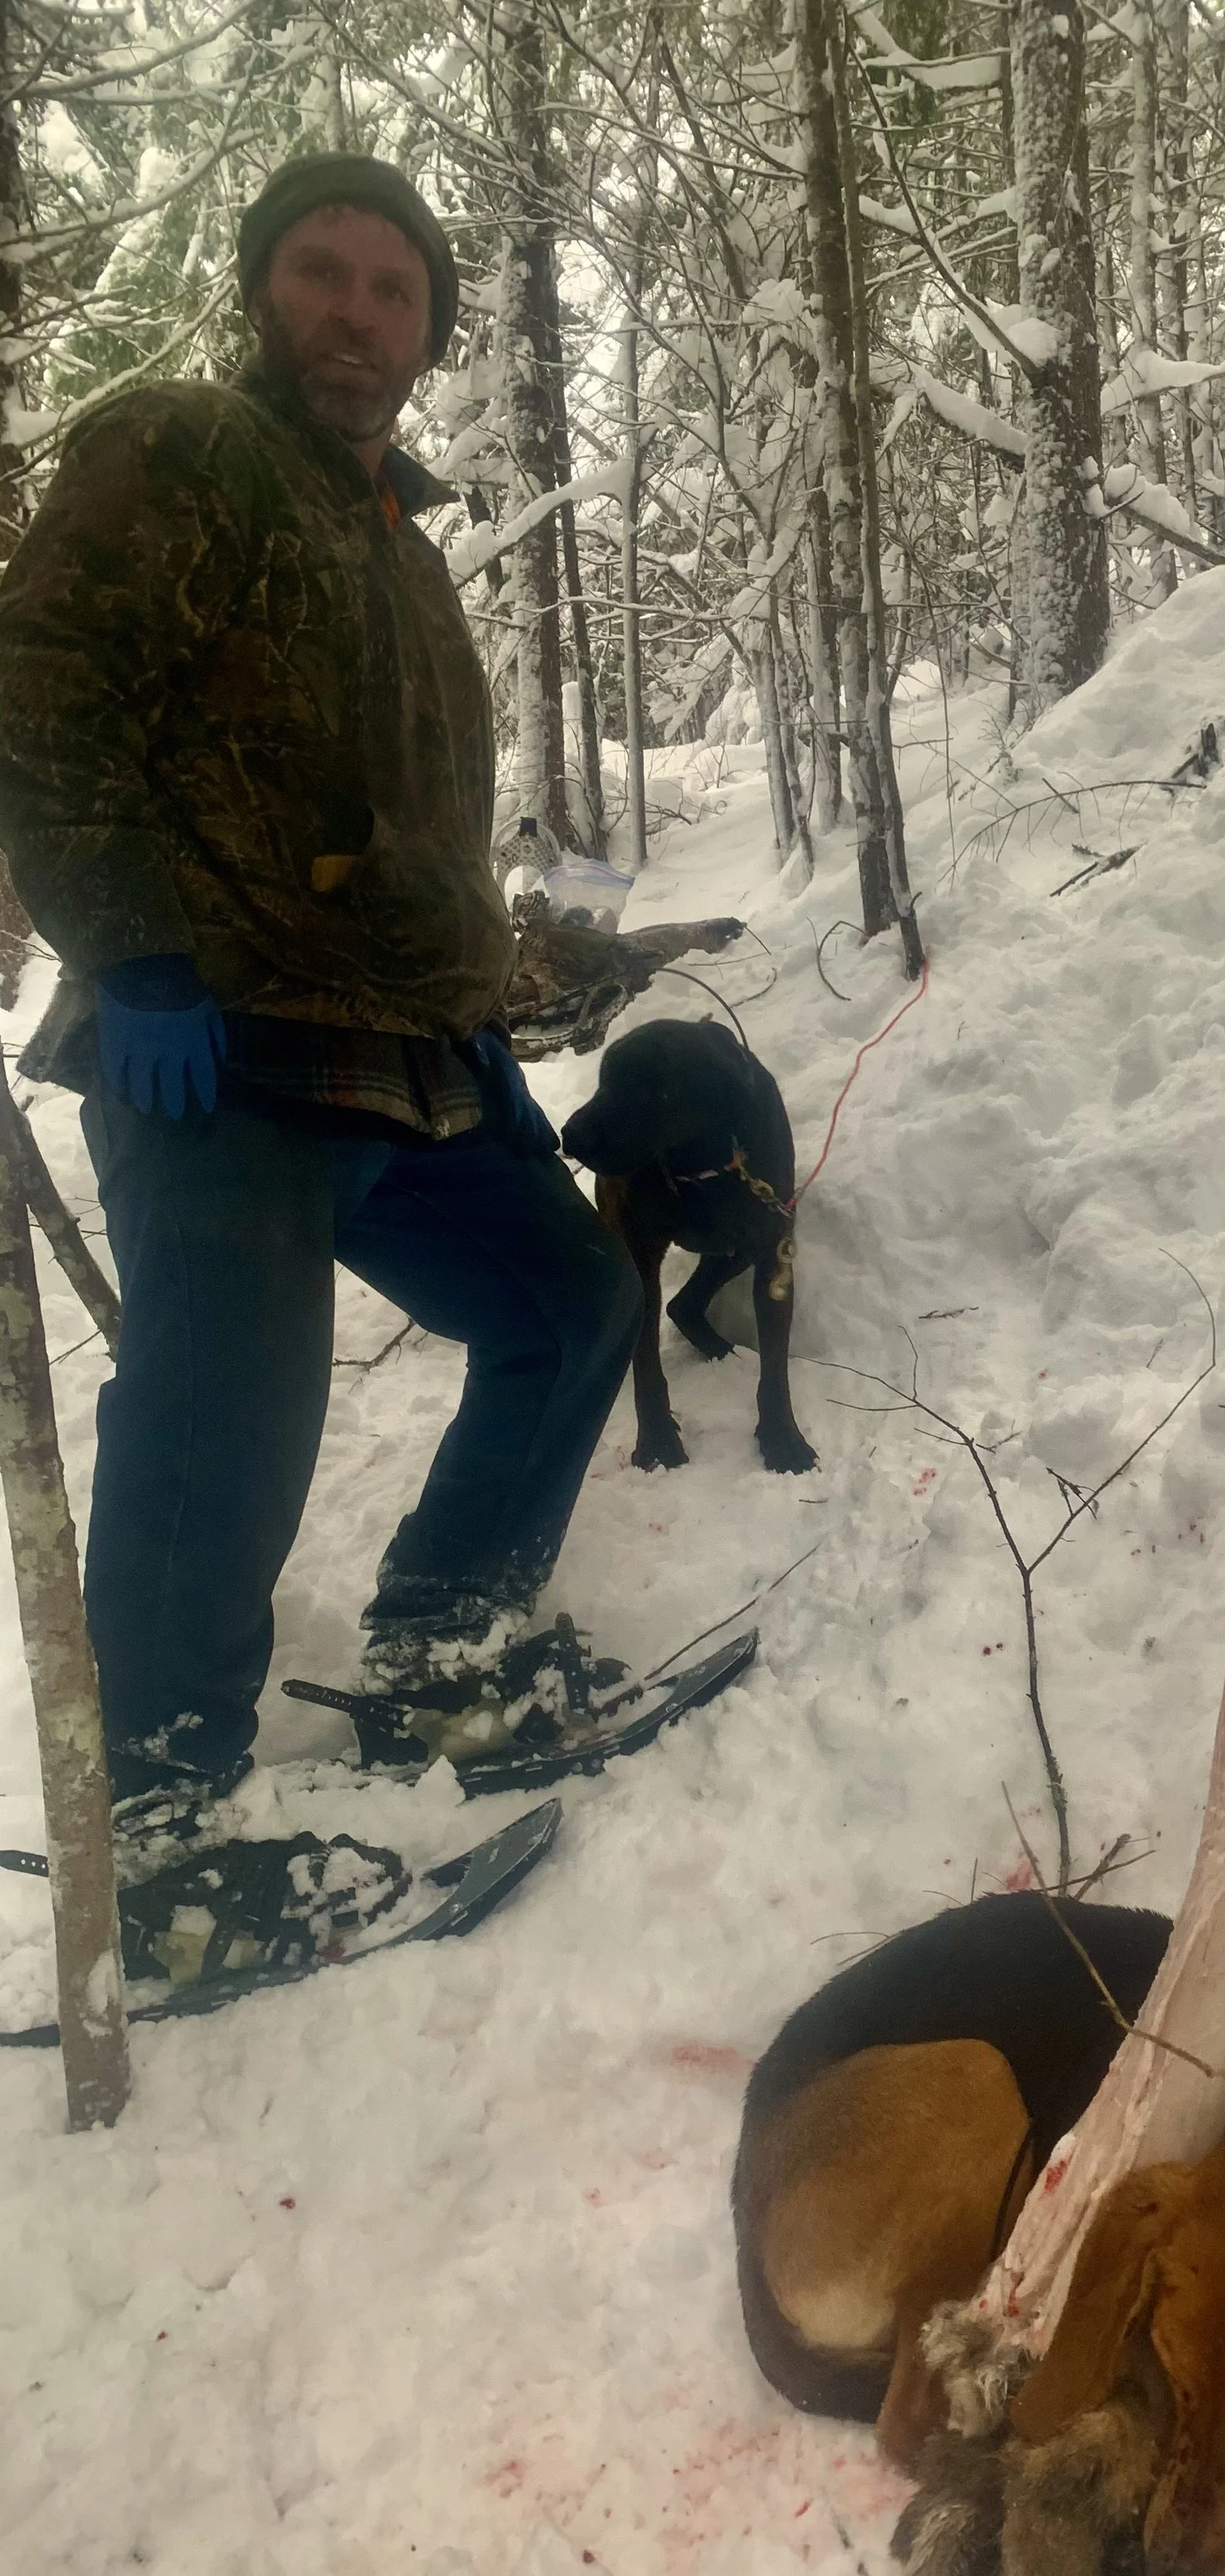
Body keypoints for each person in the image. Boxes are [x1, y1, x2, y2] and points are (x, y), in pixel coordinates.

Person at [0, 155, 644, 1808]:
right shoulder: (184, 450)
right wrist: (132, 954)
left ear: (427, 335)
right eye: (320, 272)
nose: (354, 312)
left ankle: (442, 1630)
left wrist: (478, 1013)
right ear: (258, 290)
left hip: (408, 1052)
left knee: (568, 1307)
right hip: (213, 1043)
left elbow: (414, 822)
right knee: (225, 1414)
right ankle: (158, 1805)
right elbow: (43, 696)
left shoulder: (400, 544)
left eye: (392, 289)